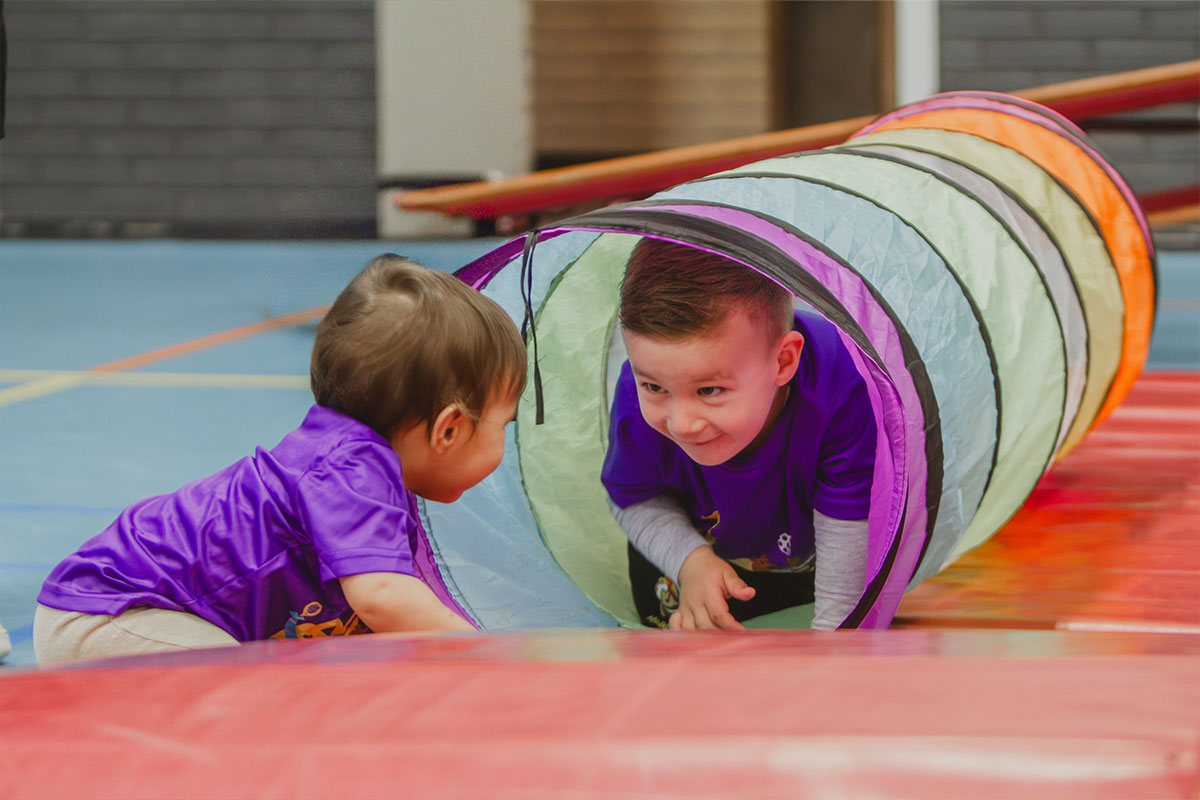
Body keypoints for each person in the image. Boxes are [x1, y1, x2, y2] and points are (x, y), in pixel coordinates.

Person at [34, 255, 525, 664]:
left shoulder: (354, 467)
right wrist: (483, 656)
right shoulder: (351, 471)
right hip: (111, 616)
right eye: (505, 423)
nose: (505, 436)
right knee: (247, 694)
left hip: (116, 614)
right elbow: (384, 598)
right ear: (449, 429)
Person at [601, 238, 876, 631]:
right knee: (680, 661)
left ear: (783, 361)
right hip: (685, 558)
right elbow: (631, 495)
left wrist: (833, 645)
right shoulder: (636, 388)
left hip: (808, 562)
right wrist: (688, 559)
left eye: (709, 390)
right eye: (655, 388)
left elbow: (851, 529)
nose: (682, 423)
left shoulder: (841, 388)